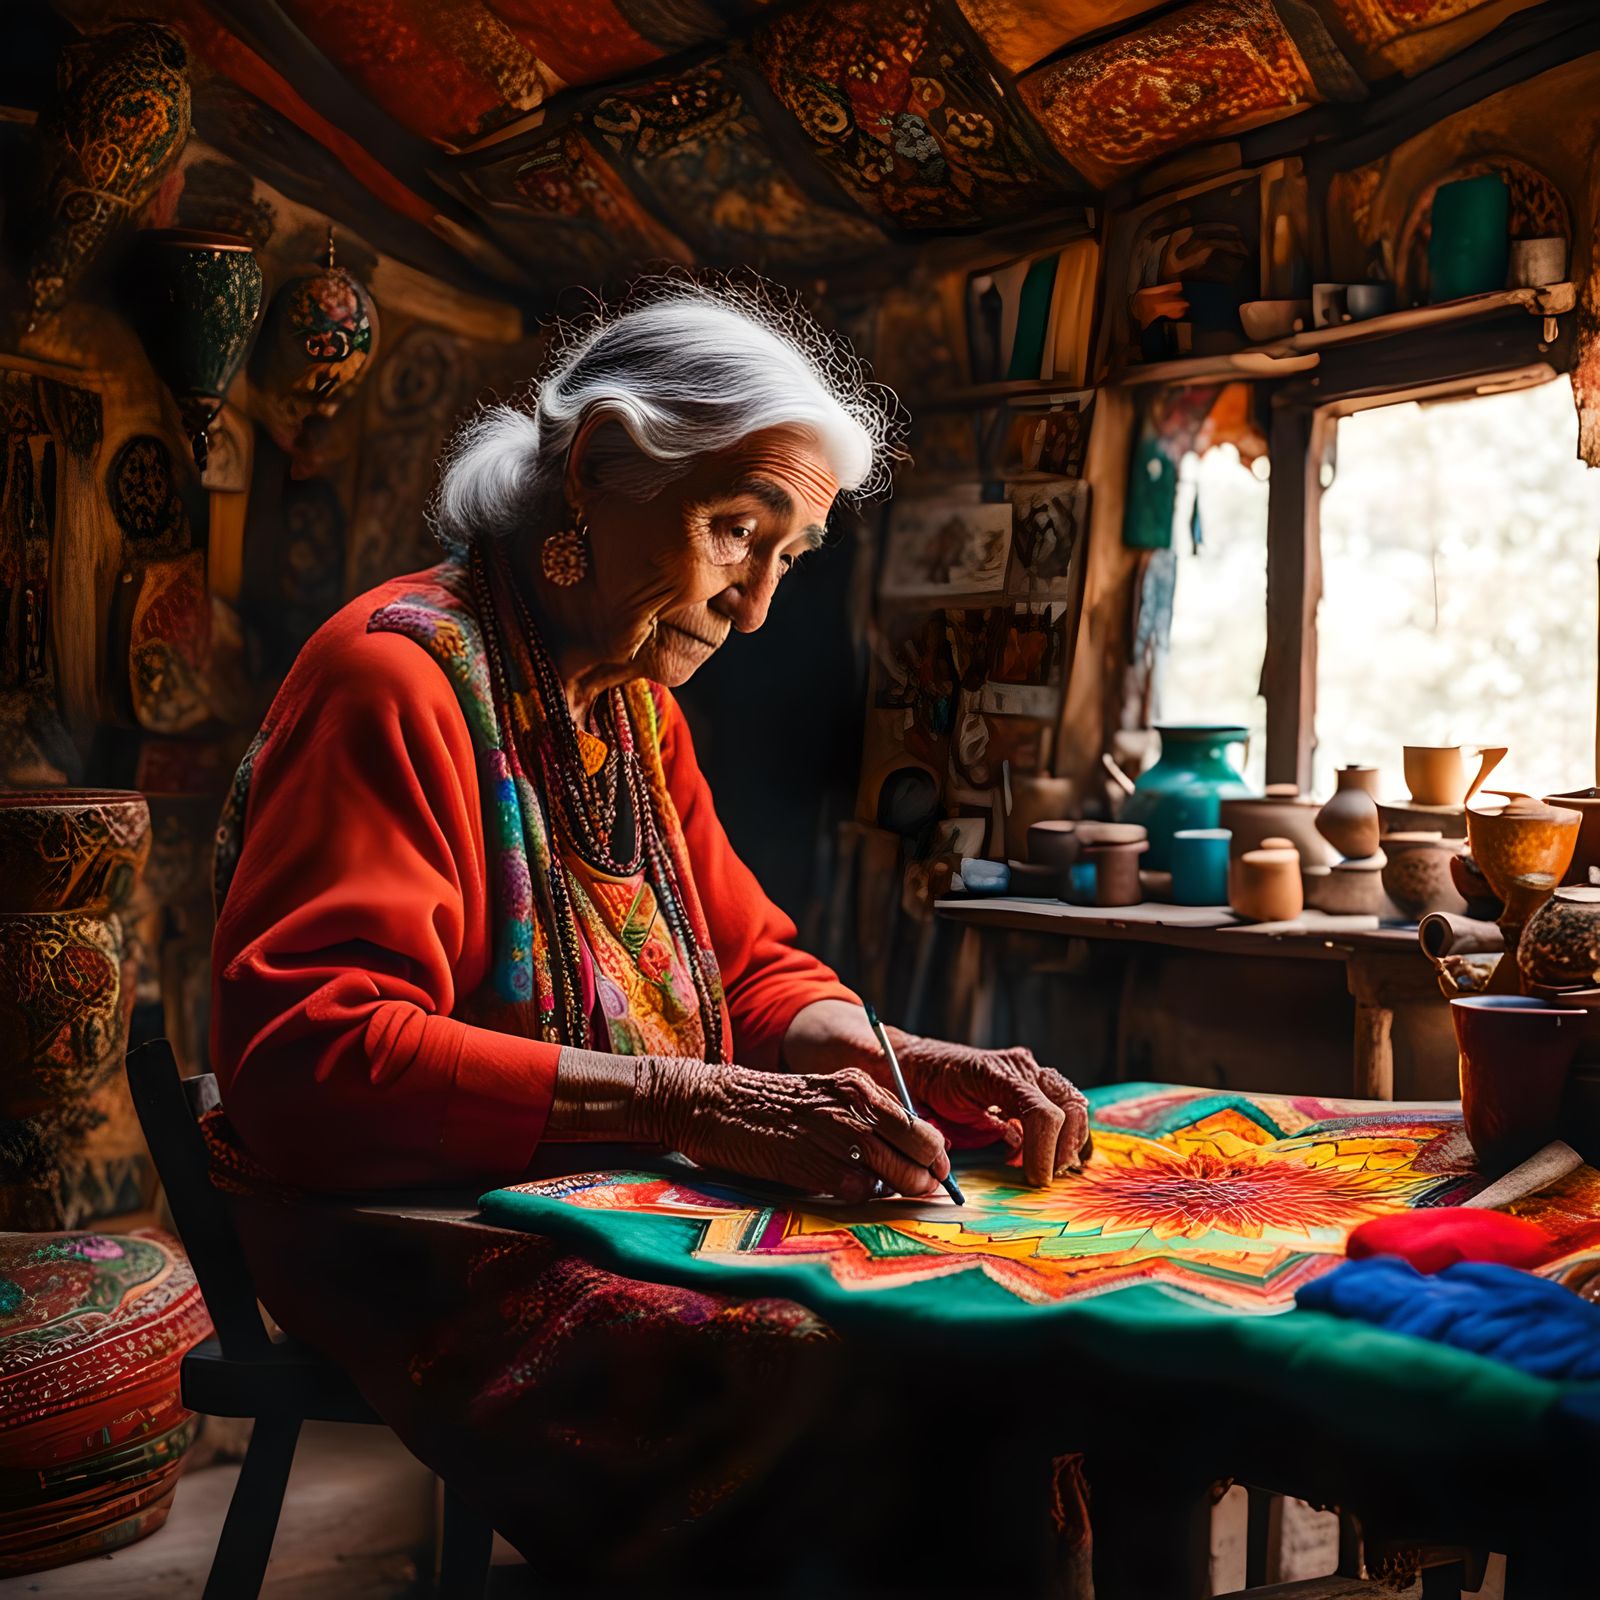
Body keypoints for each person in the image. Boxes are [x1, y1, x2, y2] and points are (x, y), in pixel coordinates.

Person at [208, 281, 1092, 1591]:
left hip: (590, 1191)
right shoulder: (392, 681)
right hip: (409, 1228)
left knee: (999, 1332)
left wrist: (886, 1057)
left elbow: (749, 964)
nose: (754, 609)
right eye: (737, 531)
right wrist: (689, 1102)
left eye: (786, 560)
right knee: (846, 1369)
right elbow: (310, 1065)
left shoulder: (632, 711)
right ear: (597, 469)